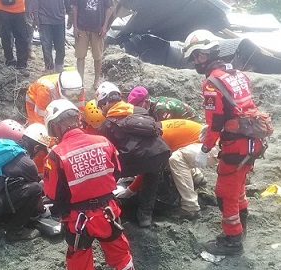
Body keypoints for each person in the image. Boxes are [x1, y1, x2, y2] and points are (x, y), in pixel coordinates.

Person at [184, 29, 264, 255]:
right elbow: (238, 109)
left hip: (236, 144)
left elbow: (217, 122)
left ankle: (232, 240)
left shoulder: (211, 83)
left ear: (201, 56)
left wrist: (204, 149)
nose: (194, 63)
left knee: (224, 191)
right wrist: (210, 128)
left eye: (194, 58)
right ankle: (242, 223)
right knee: (237, 186)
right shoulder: (238, 74)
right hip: (253, 141)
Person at [43, 99, 134, 270]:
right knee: (121, 255)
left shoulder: (55, 156)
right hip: (108, 212)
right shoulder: (103, 142)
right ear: (77, 118)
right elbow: (116, 173)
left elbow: (52, 193)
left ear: (55, 126)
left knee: (79, 261)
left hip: (78, 220)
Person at [96, 81, 170, 227]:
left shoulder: (107, 124)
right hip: (160, 154)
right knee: (152, 175)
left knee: (106, 174)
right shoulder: (140, 110)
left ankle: (109, 210)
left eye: (100, 106)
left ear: (104, 103)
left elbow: (104, 153)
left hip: (135, 160)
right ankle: (145, 216)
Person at [72, 0, 114, 89]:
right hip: (81, 27)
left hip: (98, 29)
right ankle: (80, 80)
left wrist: (105, 26)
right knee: (80, 56)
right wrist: (75, 27)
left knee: (97, 56)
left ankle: (96, 80)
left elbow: (109, 8)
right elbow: (74, 7)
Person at [127, 86, 204, 123]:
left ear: (146, 102)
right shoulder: (154, 105)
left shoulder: (161, 109)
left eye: (137, 107)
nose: (136, 110)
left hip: (199, 131)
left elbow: (162, 132)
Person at [31, 0, 70, 72]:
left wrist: (70, 15)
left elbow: (68, 2)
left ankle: (59, 68)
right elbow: (35, 2)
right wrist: (36, 17)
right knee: (46, 47)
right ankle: (49, 69)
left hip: (59, 19)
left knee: (60, 46)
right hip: (44, 19)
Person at [0, 0, 30, 75]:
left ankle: (21, 65)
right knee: (5, 36)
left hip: (19, 10)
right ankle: (9, 60)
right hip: (1, 9)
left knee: (22, 37)